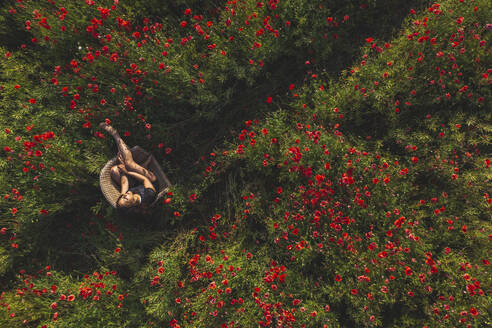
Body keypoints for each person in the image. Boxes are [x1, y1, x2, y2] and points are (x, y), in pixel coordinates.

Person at [99, 122, 158, 212]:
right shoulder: (148, 196)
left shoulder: (126, 195)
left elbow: (124, 183)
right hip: (150, 179)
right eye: (126, 199)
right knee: (129, 164)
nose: (124, 195)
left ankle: (140, 165)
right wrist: (127, 171)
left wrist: (122, 170)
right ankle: (115, 135)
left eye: (122, 197)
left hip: (137, 181)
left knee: (114, 170)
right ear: (132, 204)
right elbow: (144, 180)